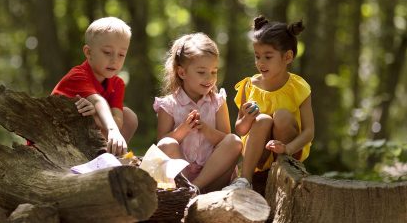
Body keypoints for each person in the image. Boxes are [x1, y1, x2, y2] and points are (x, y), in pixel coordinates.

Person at [224, 15, 315, 190]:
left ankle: (283, 171)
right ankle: (245, 180)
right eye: (257, 56)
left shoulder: (298, 87)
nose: (260, 63)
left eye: (268, 57)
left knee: (281, 115)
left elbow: (309, 132)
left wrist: (287, 148)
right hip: (259, 154)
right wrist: (248, 119)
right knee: (263, 119)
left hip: (289, 149)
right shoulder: (248, 86)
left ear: (287, 57)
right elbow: (240, 129)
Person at [154, 33, 242, 193]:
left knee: (234, 141)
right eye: (202, 72)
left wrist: (206, 130)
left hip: (213, 177)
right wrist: (183, 130)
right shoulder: (168, 105)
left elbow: (225, 141)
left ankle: (195, 188)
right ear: (182, 73)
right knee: (166, 144)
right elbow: (161, 145)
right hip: (180, 176)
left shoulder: (218, 102)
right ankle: (186, 188)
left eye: (214, 72)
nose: (210, 78)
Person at [50, 16, 138, 156]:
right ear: (88, 52)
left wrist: (95, 117)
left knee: (129, 116)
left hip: (84, 137)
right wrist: (112, 130)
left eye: (121, 54)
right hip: (54, 138)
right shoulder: (78, 75)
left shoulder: (117, 83)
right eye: (107, 52)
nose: (114, 60)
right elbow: (97, 101)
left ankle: (109, 156)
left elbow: (119, 121)